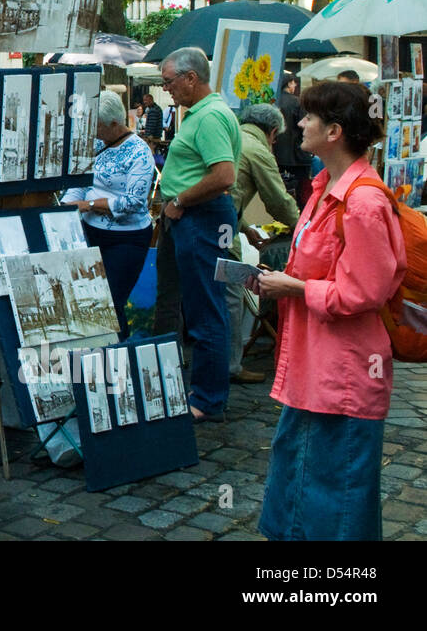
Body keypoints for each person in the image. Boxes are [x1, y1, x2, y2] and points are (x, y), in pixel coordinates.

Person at [249, 80, 404, 540]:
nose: (299, 123)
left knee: (337, 500)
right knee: (302, 484)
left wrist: (294, 288)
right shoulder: (324, 189)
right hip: (313, 368)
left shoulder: (363, 201)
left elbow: (363, 293)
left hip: (344, 374)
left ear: (333, 131)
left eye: (309, 117)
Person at [153, 46, 242, 423]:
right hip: (191, 217)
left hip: (199, 217)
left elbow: (224, 175)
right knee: (181, 304)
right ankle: (180, 384)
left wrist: (181, 201)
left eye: (169, 82)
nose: (166, 89)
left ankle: (207, 398)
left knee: (205, 309)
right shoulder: (202, 113)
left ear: (191, 77)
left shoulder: (208, 118)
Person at [60, 91, 156, 337]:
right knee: (87, 300)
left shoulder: (139, 152)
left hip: (127, 239)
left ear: (115, 124)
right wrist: (65, 209)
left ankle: (116, 359)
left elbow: (133, 202)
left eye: (98, 126)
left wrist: (88, 205)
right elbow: (78, 184)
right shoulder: (95, 144)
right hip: (91, 232)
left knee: (111, 303)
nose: (94, 131)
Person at [226, 104, 300, 385]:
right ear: (271, 132)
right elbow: (279, 202)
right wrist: (305, 227)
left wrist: (244, 227)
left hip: (205, 225)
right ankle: (231, 366)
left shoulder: (233, 136)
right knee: (231, 298)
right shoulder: (258, 150)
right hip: (221, 231)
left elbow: (230, 191)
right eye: (275, 138)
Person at [274, 72, 309, 213]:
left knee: (280, 188)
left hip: (277, 153)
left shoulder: (272, 101)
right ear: (289, 83)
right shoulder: (297, 102)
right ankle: (300, 215)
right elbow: (303, 126)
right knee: (302, 190)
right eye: (294, 83)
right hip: (297, 154)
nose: (295, 85)